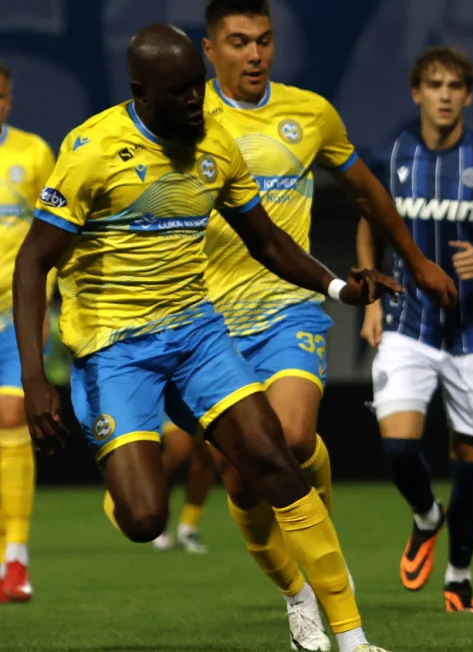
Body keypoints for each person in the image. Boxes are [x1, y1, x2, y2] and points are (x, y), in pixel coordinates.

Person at [14, 23, 397, 652]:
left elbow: (268, 241)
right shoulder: (91, 151)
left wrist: (340, 290)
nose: (198, 100)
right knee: (143, 520)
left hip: (196, 334)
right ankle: (125, 469)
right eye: (183, 91)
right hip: (114, 350)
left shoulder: (216, 143)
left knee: (275, 458)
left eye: (199, 85)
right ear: (143, 92)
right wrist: (36, 380)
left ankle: (348, 636)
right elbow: (33, 264)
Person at [198, 2, 457, 646]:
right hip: (205, 323)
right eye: (239, 43)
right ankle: (297, 593)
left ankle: (325, 587)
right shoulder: (186, 121)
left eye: (264, 41)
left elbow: (366, 188)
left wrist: (417, 258)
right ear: (210, 50)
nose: (255, 54)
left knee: (287, 438)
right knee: (239, 475)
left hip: (290, 307)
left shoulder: (310, 113)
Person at [356, 45, 473, 613]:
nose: (444, 95)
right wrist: (369, 298)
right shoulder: (391, 155)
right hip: (407, 321)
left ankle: (459, 574)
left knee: (469, 460)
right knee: (396, 447)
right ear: (416, 92)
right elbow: (369, 220)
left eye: (455, 86)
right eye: (434, 84)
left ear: (467, 95)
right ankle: (425, 516)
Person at [0, 61, 54, 604]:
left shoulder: (34, 154)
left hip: (12, 316)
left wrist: (42, 312)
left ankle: (16, 559)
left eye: (0, 97)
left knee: (12, 416)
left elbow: (51, 239)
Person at [151, 419, 215, 554]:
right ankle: (160, 513)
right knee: (179, 450)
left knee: (207, 456)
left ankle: (188, 527)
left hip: (201, 400)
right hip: (170, 400)